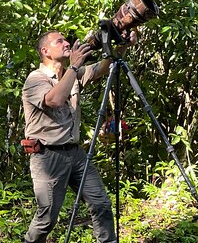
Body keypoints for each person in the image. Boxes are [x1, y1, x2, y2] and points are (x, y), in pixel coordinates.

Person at [21, 29, 137, 243]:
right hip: (47, 156)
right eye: (60, 41)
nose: (66, 43)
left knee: (100, 203)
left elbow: (104, 67)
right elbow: (54, 100)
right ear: (45, 51)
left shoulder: (72, 74)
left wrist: (122, 45)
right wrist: (74, 66)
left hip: (75, 154)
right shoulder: (35, 79)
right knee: (47, 218)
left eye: (66, 40)